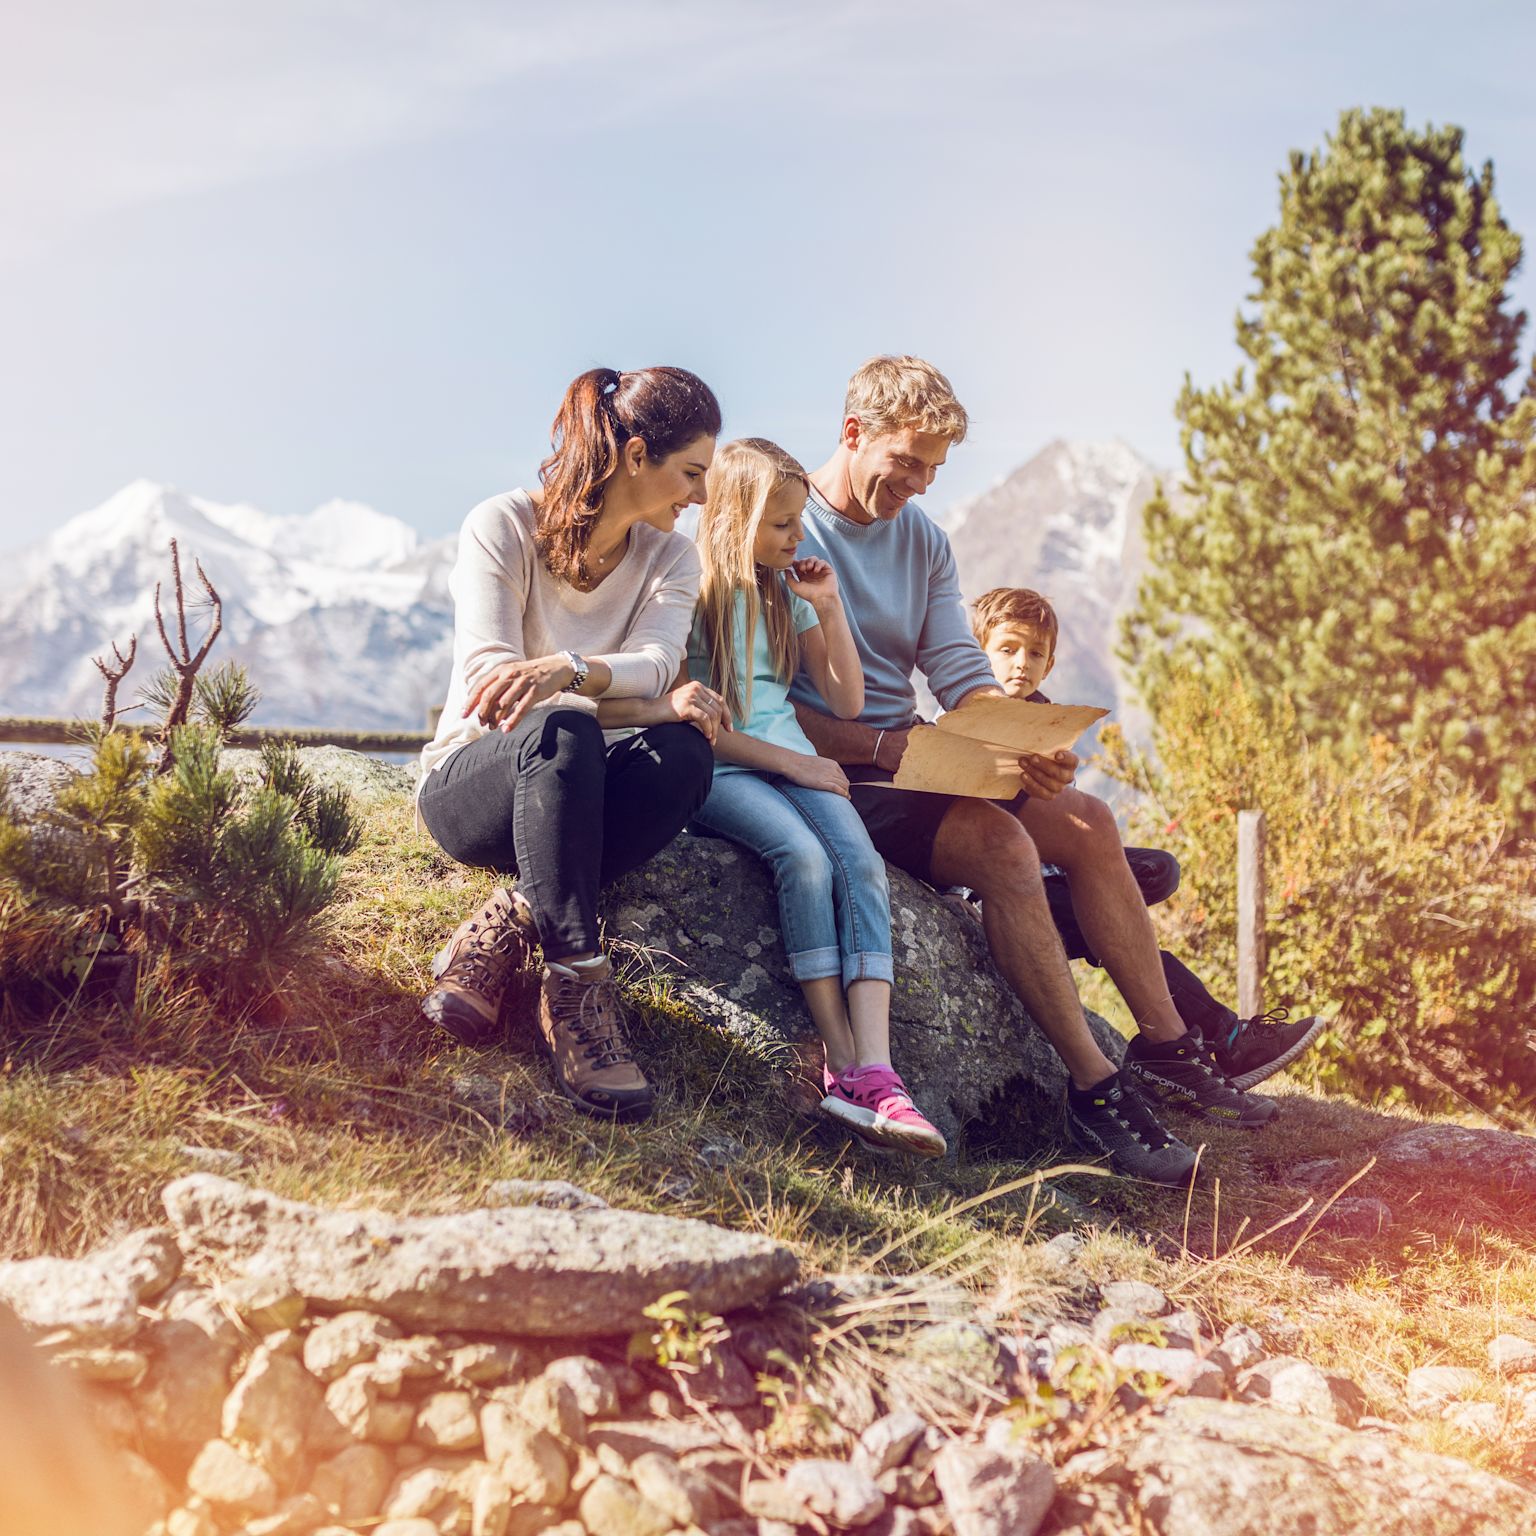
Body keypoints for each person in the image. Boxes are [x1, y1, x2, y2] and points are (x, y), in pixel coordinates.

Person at [787, 356, 1301, 1185]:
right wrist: (879, 748)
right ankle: (1096, 1090)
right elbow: (763, 697)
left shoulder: (922, 540)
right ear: (854, 434)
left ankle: (1171, 1048)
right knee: (1005, 850)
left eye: (933, 469)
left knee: (1091, 822)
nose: (918, 483)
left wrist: (1017, 733)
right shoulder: (787, 528)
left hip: (914, 754)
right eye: (906, 461)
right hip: (838, 771)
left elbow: (956, 660)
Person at [417, 365, 728, 1121]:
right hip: (476, 784)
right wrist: (637, 704)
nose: (701, 497)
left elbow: (655, 664)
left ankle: (514, 914)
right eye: (691, 473)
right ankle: (577, 979)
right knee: (562, 729)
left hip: (574, 785)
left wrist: (572, 668)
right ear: (634, 457)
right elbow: (495, 685)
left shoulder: (671, 559)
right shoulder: (502, 525)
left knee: (686, 757)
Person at [685, 438, 946, 1157]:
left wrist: (828, 608)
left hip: (797, 762)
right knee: (802, 858)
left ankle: (878, 1069)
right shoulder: (689, 590)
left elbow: (847, 699)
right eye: (782, 525)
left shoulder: (781, 592)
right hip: (726, 768)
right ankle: (839, 1062)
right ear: (735, 518)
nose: (798, 537)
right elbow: (699, 730)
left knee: (859, 868)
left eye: (799, 522)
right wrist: (793, 767)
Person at [970, 585, 1324, 1090]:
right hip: (1001, 892)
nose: (1020, 663)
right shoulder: (961, 719)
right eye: (1006, 649)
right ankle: (1226, 1039)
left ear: (1049, 666)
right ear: (977, 652)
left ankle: (1212, 1036)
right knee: (1115, 928)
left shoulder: (1044, 723)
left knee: (1158, 871)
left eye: (1035, 653)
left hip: (1052, 874)